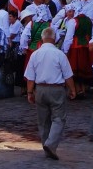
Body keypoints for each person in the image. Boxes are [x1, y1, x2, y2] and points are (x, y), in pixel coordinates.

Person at [24, 25, 76, 160]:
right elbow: (68, 75)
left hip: (40, 89)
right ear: (54, 39)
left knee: (43, 120)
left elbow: (30, 77)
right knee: (58, 118)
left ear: (42, 39)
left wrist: (30, 92)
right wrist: (72, 89)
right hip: (56, 89)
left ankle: (46, 146)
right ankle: (50, 144)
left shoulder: (35, 54)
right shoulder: (60, 54)